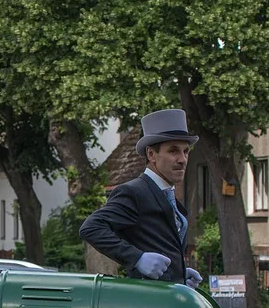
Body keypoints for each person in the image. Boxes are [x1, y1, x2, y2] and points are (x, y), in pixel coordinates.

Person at [79, 108, 202, 288]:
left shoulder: (169, 197)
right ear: (151, 154)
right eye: (173, 151)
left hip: (169, 298)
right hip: (148, 301)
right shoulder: (134, 192)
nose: (182, 159)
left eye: (186, 151)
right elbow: (91, 228)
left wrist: (179, 273)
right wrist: (137, 258)